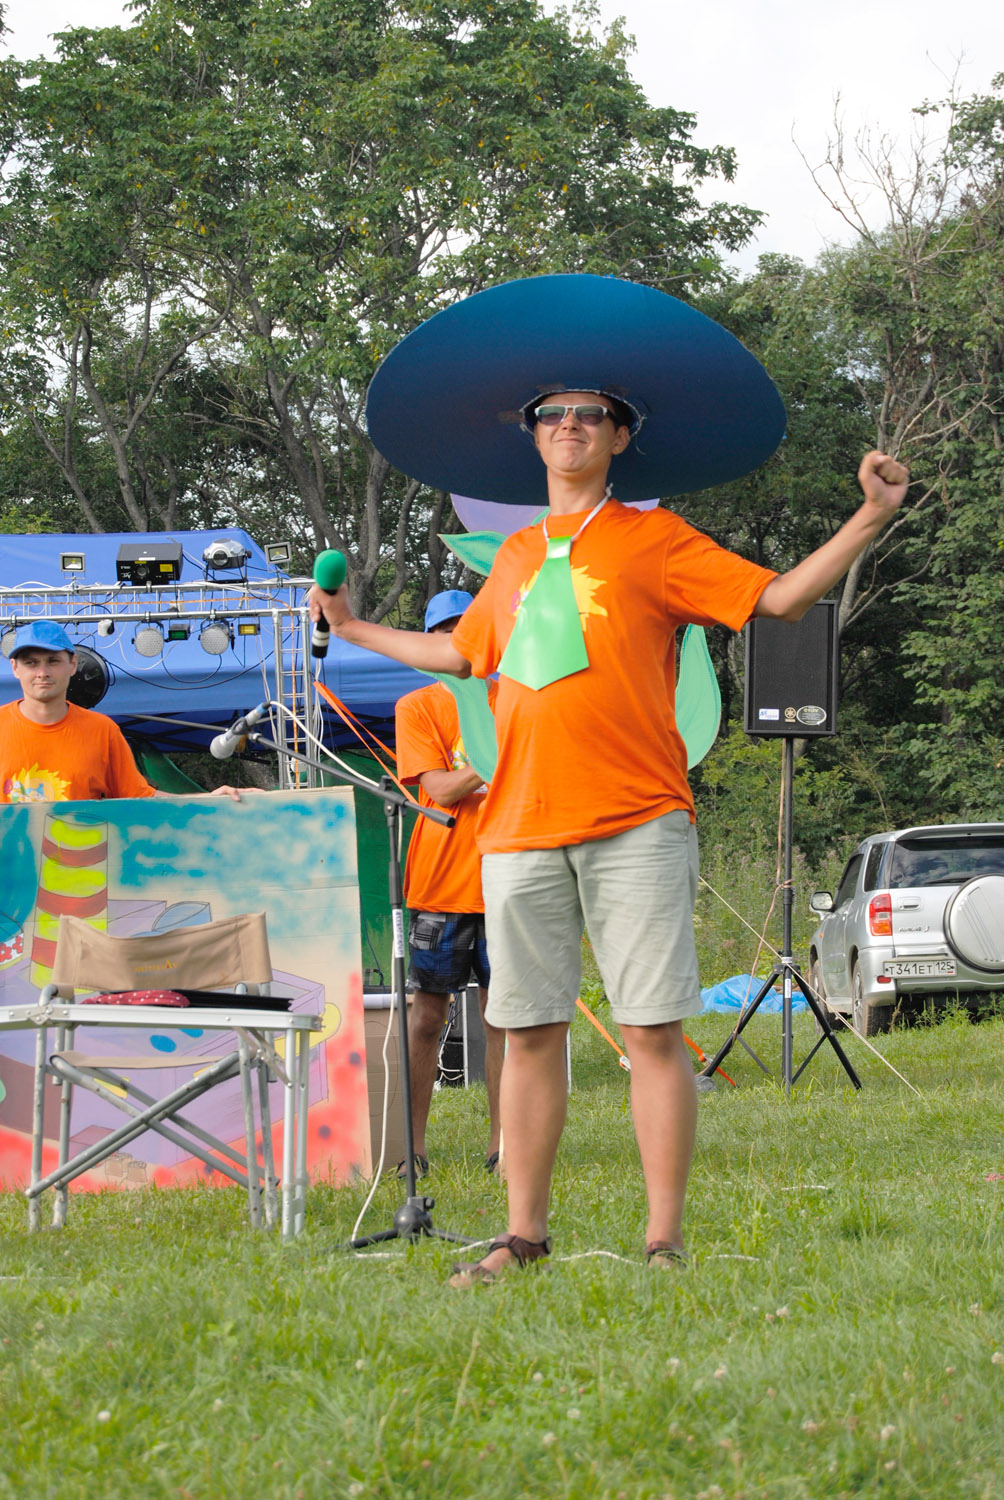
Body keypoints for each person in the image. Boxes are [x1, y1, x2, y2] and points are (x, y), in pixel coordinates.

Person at [310, 398, 907, 1282]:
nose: (571, 424)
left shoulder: (656, 539)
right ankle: (522, 1237)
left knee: (652, 1029)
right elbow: (464, 655)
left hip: (637, 821)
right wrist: (353, 626)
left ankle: (664, 1242)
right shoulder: (515, 556)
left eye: (593, 413)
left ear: (621, 436)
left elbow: (779, 600)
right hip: (518, 828)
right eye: (551, 413)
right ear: (533, 434)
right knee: (527, 1028)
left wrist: (871, 515)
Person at [394, 589, 503, 1178]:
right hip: (440, 886)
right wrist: (492, 761)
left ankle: (503, 1146)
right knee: (427, 1017)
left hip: (509, 878)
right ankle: (412, 1148)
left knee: (503, 1018)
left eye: (467, 629)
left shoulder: (516, 697)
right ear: (430, 642)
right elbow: (437, 789)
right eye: (445, 631)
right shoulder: (418, 706)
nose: (457, 640)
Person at [1, 620, 240, 803]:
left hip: (77, 852)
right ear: (15, 668)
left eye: (53, 661)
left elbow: (139, 797)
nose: (42, 672)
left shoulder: (101, 730)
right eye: (31, 663)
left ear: (72, 665)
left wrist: (209, 800)